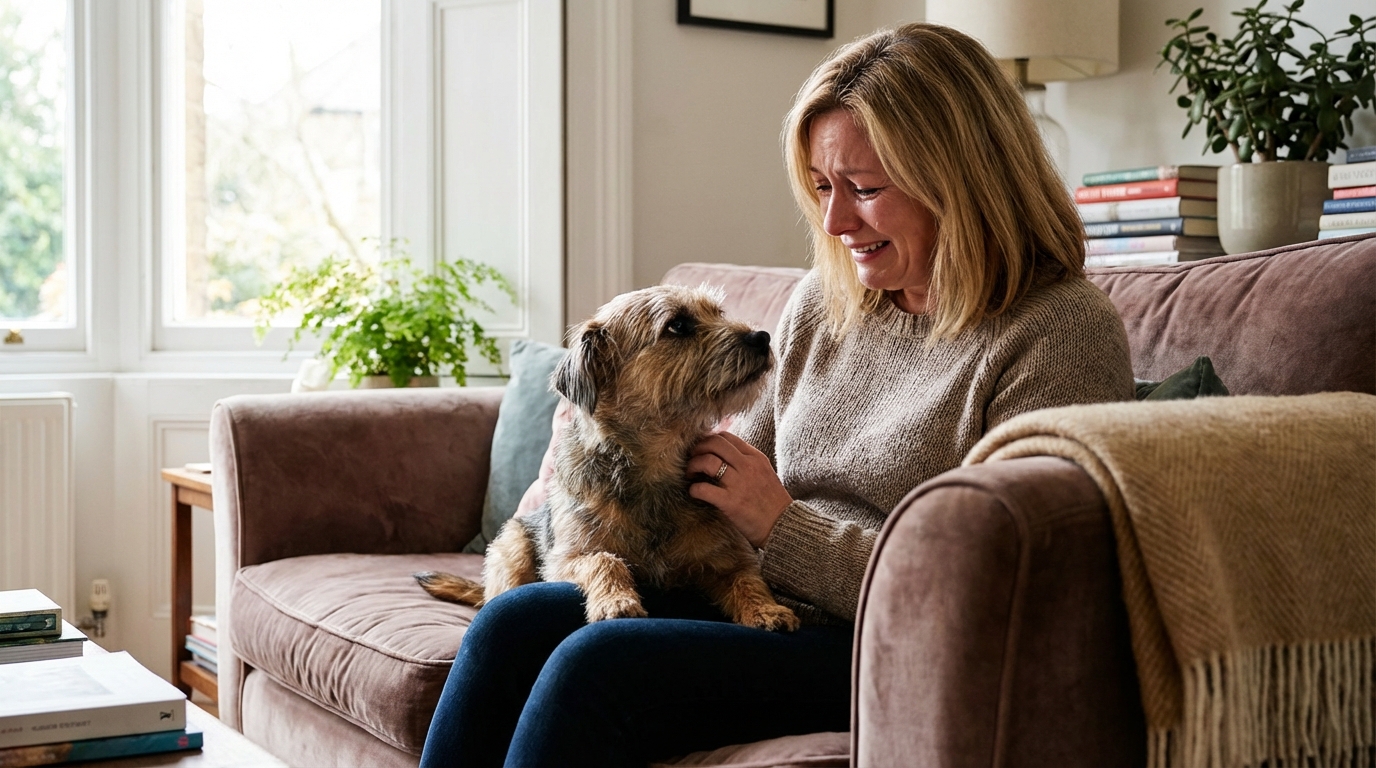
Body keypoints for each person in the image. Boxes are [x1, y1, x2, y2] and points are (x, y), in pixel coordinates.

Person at [419, 23, 1133, 768]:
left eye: (865, 189)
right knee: (511, 625)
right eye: (823, 188)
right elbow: (723, 471)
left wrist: (784, 526)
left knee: (593, 666)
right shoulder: (826, 306)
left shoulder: (1060, 333)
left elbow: (1003, 591)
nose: (834, 223)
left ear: (963, 175)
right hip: (759, 598)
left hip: (885, 642)